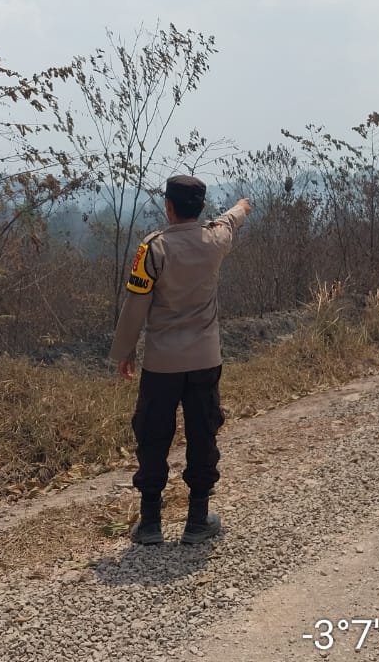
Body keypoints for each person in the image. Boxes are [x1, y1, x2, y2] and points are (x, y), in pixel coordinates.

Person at [109, 175, 251, 545]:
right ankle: (197, 519)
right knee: (203, 432)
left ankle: (152, 521)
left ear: (169, 207)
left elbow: (135, 305)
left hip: (161, 363)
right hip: (205, 358)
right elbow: (230, 221)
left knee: (153, 435)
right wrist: (241, 206)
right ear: (199, 208)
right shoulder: (215, 242)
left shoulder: (152, 249)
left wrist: (124, 350)